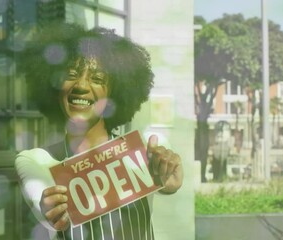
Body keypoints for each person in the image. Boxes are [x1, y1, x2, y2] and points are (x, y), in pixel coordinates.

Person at [15, 23, 183, 240]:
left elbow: (167, 179)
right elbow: (42, 206)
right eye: (71, 74)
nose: (81, 86)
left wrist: (169, 177)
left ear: (116, 93)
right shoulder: (37, 160)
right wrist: (49, 209)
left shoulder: (143, 150)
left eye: (97, 79)